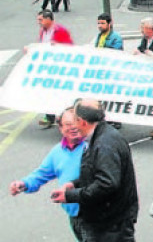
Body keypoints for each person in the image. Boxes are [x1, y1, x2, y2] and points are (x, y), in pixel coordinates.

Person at [50, 99, 138, 241]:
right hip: (111, 221)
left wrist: (71, 196)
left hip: (109, 224)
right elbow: (97, 172)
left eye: (75, 120)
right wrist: (75, 184)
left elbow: (107, 184)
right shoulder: (102, 136)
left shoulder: (103, 145)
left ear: (83, 122)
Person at [10, 107, 85, 240]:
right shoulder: (57, 152)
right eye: (68, 124)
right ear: (60, 128)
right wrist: (24, 184)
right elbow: (40, 175)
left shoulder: (93, 149)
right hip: (74, 216)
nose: (73, 128)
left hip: (97, 216)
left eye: (76, 124)